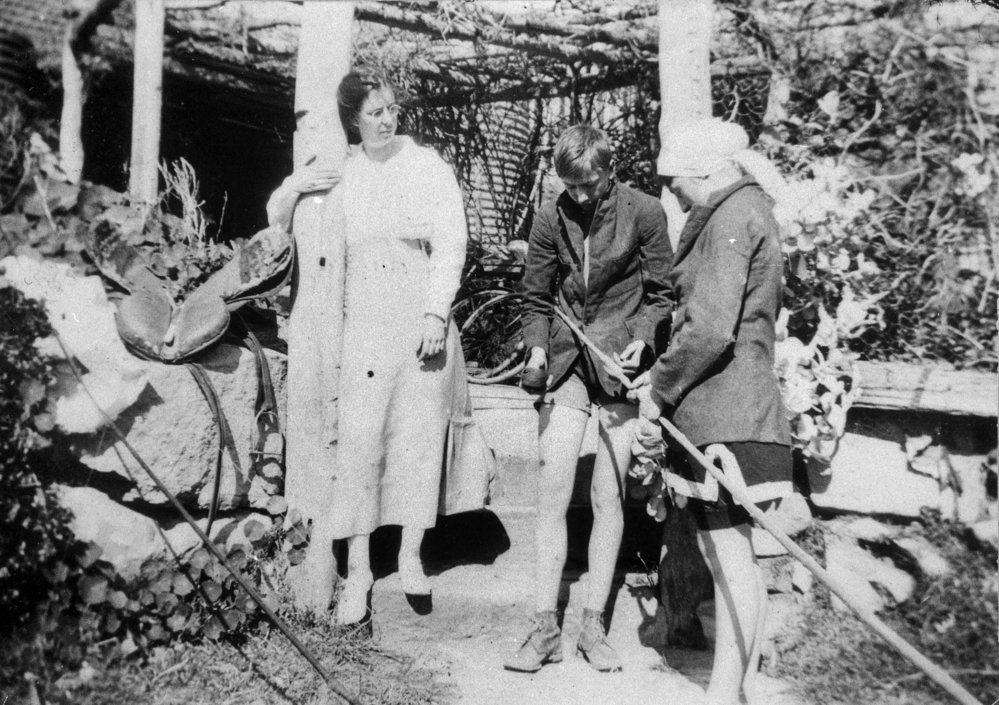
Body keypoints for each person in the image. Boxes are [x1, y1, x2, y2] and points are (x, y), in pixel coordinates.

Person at [268, 69, 493, 625]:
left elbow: (452, 241)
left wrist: (436, 311)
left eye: (392, 108)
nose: (387, 119)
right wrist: (295, 185)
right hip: (362, 316)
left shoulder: (426, 166)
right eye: (374, 112)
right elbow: (277, 218)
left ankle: (412, 553)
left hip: (419, 310)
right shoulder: (341, 172)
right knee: (362, 441)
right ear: (353, 119)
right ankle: (360, 573)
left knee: (418, 433)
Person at [630, 117, 793, 705]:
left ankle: (725, 692)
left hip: (729, 417)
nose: (671, 191)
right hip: (735, 413)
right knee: (730, 561)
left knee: (729, 563)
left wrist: (658, 389)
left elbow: (710, 330)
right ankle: (733, 688)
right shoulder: (745, 210)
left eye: (676, 181)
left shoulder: (730, 217)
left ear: (705, 171)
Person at [504, 124, 674, 672]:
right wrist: (534, 348)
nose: (578, 196)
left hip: (620, 370)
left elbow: (662, 294)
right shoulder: (551, 215)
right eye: (569, 185)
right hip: (567, 365)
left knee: (607, 496)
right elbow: (534, 297)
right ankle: (543, 629)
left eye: (588, 185)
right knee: (552, 489)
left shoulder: (644, 213)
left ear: (608, 171)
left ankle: (592, 627)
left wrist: (643, 341)